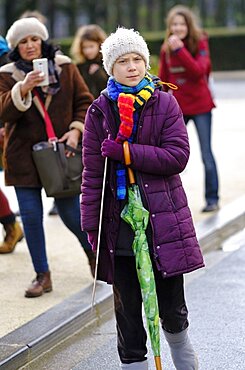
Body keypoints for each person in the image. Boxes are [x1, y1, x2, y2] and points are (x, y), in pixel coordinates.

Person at [81, 27, 204, 369]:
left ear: (146, 63)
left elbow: (177, 156)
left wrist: (127, 152)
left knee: (173, 310)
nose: (132, 66)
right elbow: (92, 175)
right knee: (127, 314)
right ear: (111, 67)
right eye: (122, 61)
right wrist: (91, 226)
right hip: (117, 225)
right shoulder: (99, 111)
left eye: (137, 59)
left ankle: (185, 362)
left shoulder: (164, 101)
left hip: (162, 219)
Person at [0, 17, 95, 298]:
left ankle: (94, 255)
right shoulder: (6, 74)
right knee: (30, 216)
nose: (30, 46)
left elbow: (84, 101)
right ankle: (42, 275)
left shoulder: (65, 68)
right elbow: (3, 112)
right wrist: (23, 88)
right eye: (23, 42)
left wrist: (76, 131)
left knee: (71, 214)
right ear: (16, 47)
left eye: (34, 40)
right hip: (23, 156)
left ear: (43, 41)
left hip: (61, 155)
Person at [158, 5, 219, 213]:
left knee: (206, 154)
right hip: (179, 109)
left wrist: (180, 50)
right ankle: (168, 201)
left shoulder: (199, 42)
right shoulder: (166, 49)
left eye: (181, 24)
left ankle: (212, 198)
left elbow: (198, 71)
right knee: (170, 153)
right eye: (174, 24)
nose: (177, 28)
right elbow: (164, 81)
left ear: (188, 26)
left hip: (201, 105)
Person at [70, 24, 108, 99]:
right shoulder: (79, 66)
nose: (88, 51)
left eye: (91, 46)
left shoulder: (107, 63)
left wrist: (99, 73)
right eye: (84, 47)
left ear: (100, 44)